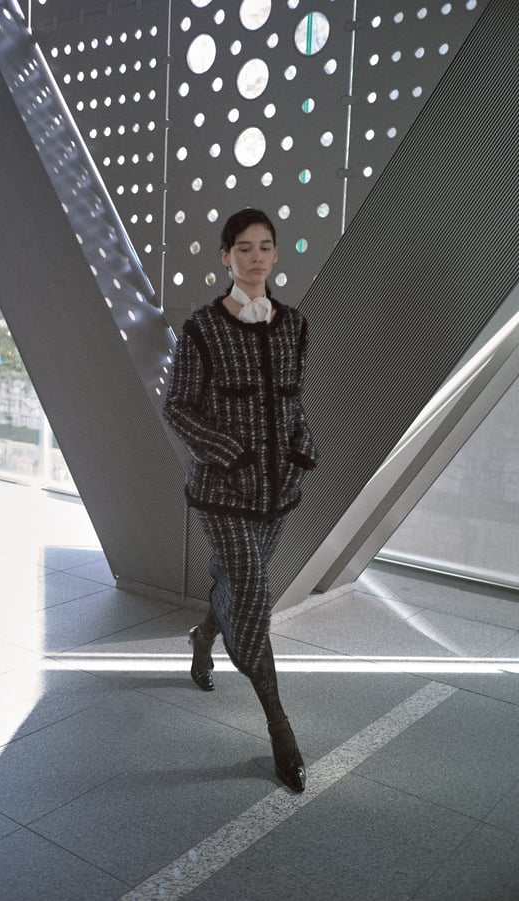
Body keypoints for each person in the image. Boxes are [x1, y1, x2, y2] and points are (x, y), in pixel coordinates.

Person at [163, 208, 318, 792]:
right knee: (252, 592)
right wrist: (231, 454)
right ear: (225, 257)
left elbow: (292, 402)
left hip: (278, 493)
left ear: (275, 255)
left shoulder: (295, 325)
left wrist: (303, 447)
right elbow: (178, 407)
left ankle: (204, 636)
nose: (256, 257)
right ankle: (279, 726)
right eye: (244, 248)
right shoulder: (202, 328)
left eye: (265, 247)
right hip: (223, 493)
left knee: (237, 582)